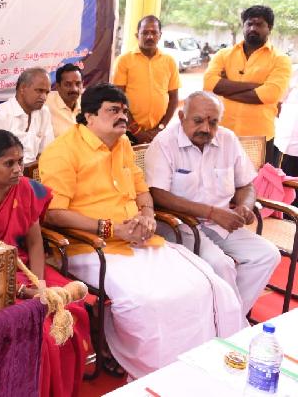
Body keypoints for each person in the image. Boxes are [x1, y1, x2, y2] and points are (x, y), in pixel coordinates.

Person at [39, 83, 243, 379]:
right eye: (113, 110)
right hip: (91, 246)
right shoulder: (61, 152)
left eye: (124, 110)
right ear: (89, 116)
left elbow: (142, 192)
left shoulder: (122, 144)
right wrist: (110, 228)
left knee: (207, 284)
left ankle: (199, 366)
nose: (122, 116)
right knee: (148, 301)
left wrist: (147, 216)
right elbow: (55, 214)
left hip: (140, 240)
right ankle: (154, 371)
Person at [0, 130, 89, 397]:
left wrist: (41, 284)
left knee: (73, 308)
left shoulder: (22, 187)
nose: (17, 170)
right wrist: (25, 292)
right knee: (42, 332)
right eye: (8, 163)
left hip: (24, 269)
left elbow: (35, 243)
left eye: (20, 162)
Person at [145, 91, 280, 317]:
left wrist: (245, 206)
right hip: (180, 225)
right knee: (221, 264)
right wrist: (211, 212)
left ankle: (227, 320)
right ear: (182, 116)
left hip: (222, 223)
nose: (206, 129)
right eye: (198, 121)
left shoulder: (227, 139)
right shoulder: (164, 143)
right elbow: (158, 195)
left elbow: (246, 184)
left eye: (213, 122)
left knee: (267, 254)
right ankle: (230, 324)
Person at [204, 5, 291, 164]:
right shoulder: (224, 54)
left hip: (258, 138)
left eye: (259, 25)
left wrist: (225, 88)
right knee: (219, 183)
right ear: (243, 26)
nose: (253, 28)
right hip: (222, 133)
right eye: (249, 24)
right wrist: (255, 86)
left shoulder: (280, 59)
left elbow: (270, 94)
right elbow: (209, 84)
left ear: (269, 28)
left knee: (255, 186)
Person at [112, 15, 180, 144]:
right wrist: (136, 130)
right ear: (137, 35)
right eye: (145, 33)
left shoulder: (169, 61)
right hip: (128, 131)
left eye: (154, 32)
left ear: (160, 35)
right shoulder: (124, 61)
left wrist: (161, 128)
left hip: (159, 132)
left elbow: (173, 98)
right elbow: (117, 99)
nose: (150, 37)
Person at [0, 67, 54, 165]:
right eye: (39, 91)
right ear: (22, 88)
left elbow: (47, 153)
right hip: (3, 176)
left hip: (34, 174)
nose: (44, 97)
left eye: (47, 92)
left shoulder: (44, 112)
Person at [45, 63, 83, 138]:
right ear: (58, 86)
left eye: (78, 84)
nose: (74, 89)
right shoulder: (45, 103)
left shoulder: (88, 103)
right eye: (68, 84)